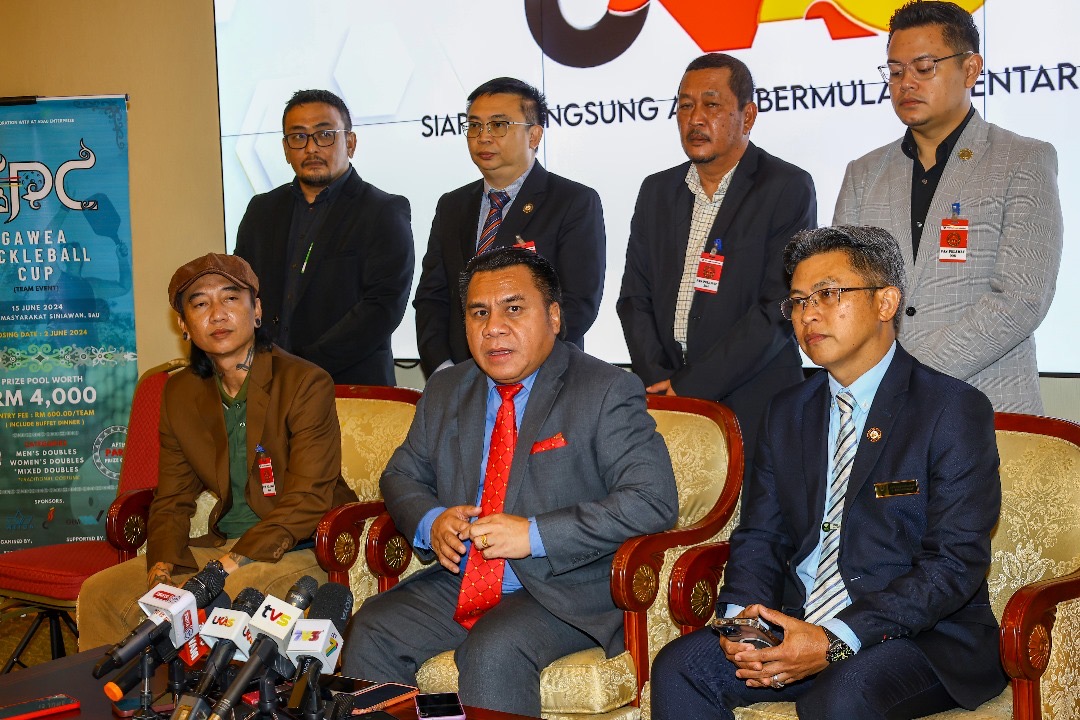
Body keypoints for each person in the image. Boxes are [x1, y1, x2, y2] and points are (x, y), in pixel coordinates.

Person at [650, 225, 1006, 720]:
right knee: (681, 667)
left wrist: (835, 638)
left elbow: (953, 564)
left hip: (920, 638)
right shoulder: (787, 411)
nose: (808, 314)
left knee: (840, 691)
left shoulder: (951, 409)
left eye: (828, 294)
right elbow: (762, 536)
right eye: (797, 301)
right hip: (797, 619)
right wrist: (742, 624)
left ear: (885, 302)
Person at [344, 247, 677, 716]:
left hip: (565, 588)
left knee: (493, 648)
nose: (493, 328)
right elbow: (401, 475)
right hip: (464, 578)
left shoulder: (604, 390)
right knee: (373, 628)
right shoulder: (445, 389)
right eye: (479, 313)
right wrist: (432, 520)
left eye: (514, 309)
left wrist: (534, 534)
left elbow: (652, 499)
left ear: (554, 316)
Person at [78, 253, 357, 649]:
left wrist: (222, 570)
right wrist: (160, 571)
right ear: (183, 324)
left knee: (231, 601)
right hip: (222, 546)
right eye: (200, 304)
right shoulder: (180, 392)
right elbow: (172, 498)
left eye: (230, 299)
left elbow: (309, 497)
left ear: (256, 310)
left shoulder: (304, 382)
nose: (217, 314)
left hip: (300, 545)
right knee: (101, 594)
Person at [834, 1, 1062, 414]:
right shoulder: (863, 173)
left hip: (987, 407)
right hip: (880, 412)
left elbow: (1022, 298)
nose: (906, 83)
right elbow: (844, 289)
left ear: (970, 69)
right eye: (896, 71)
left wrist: (905, 375)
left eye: (924, 68)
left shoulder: (1023, 160)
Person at [617, 53, 816, 472]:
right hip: (665, 403)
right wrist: (658, 381)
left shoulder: (786, 187)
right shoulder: (656, 190)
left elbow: (778, 306)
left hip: (754, 406)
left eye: (711, 104)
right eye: (685, 105)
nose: (695, 118)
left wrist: (691, 387)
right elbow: (634, 297)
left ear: (748, 116)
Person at [413, 77, 606, 378]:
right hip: (458, 378)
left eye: (498, 125)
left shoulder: (572, 201)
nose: (483, 137)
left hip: (541, 379)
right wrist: (443, 369)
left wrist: (516, 366)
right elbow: (432, 297)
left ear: (534, 135)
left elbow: (578, 304)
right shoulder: (452, 205)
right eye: (475, 126)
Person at [235, 89, 413, 386]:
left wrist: (301, 367)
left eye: (325, 134)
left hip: (351, 386)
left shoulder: (383, 210)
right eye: (298, 137)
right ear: (286, 148)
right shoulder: (261, 210)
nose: (311, 148)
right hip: (268, 384)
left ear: (350, 143)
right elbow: (242, 291)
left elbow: (382, 307)